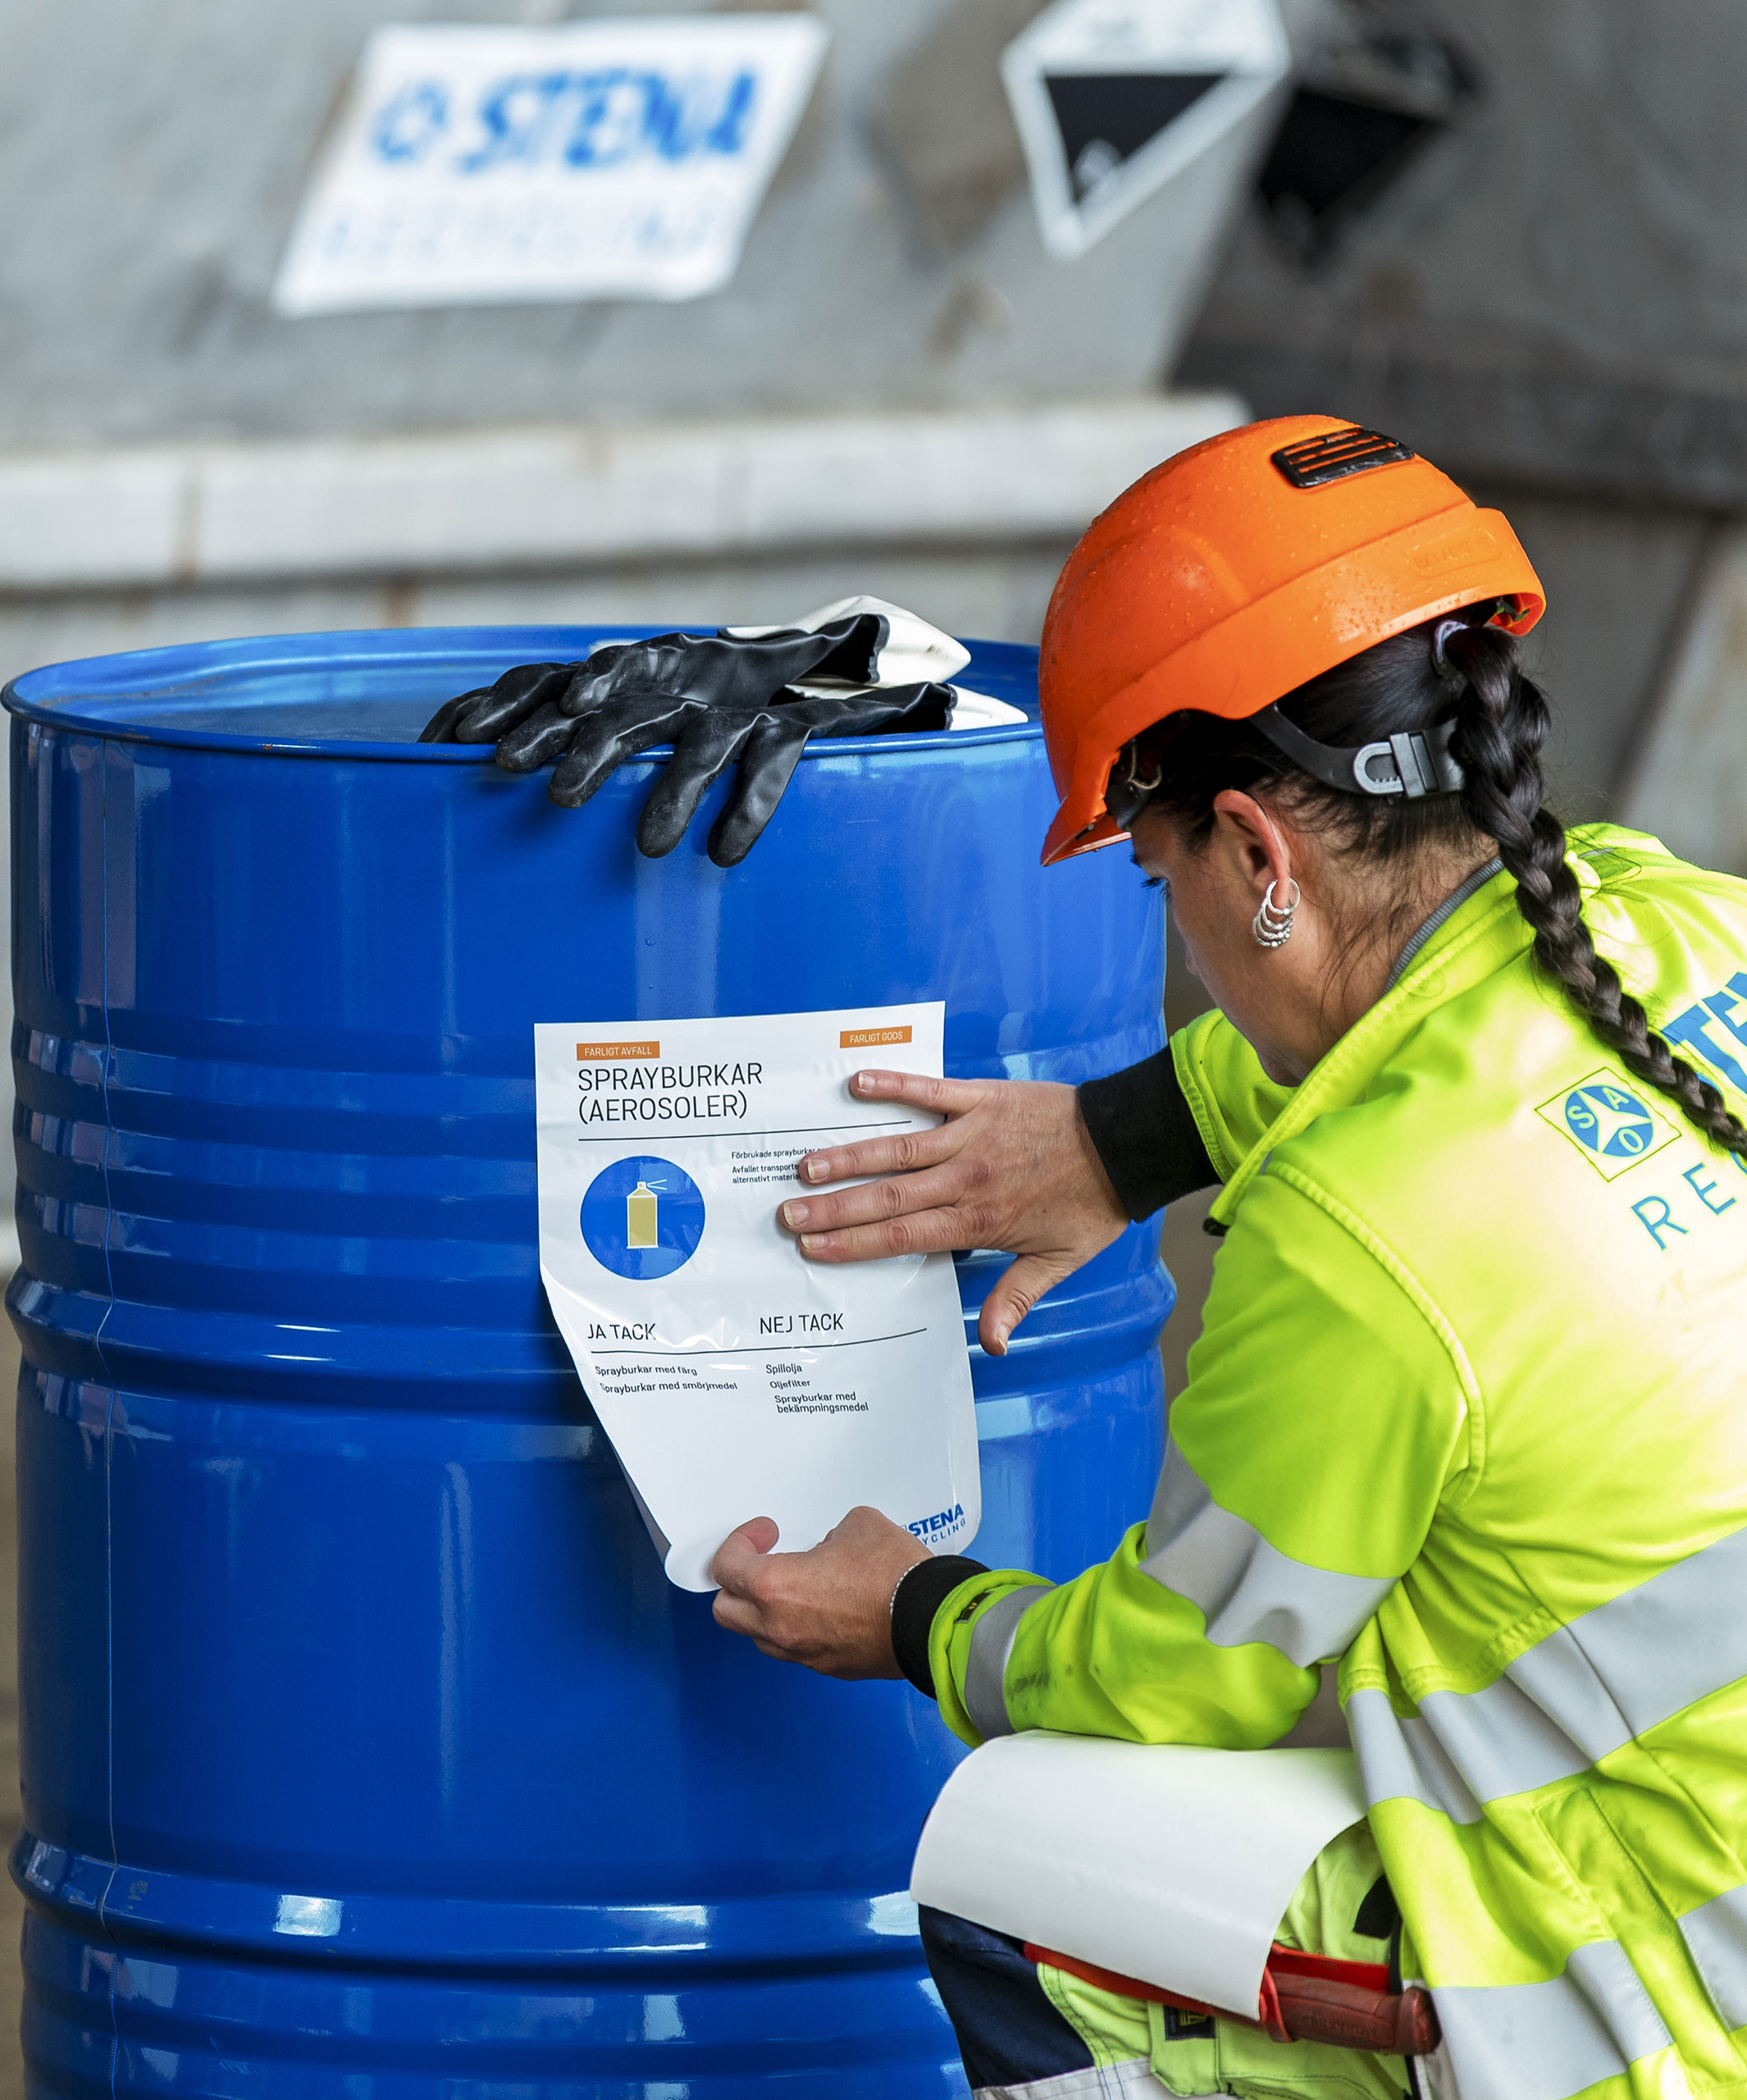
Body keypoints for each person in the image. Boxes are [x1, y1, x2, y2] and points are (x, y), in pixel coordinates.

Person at [705, 418, 1747, 2100]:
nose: (1171, 924)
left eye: (1158, 864)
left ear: (1258, 858)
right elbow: (1447, 1080)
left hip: (1670, 2002)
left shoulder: (1357, 1243)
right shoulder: (1679, 923)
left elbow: (1174, 1680)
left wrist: (906, 1609)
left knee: (1022, 1847)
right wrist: (1112, 1142)